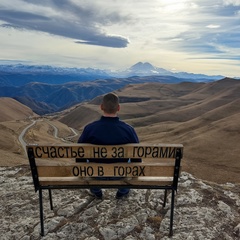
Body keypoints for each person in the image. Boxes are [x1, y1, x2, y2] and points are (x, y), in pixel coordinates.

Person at [77, 92, 140, 199]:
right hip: (120, 173)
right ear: (118, 108)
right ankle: (122, 192)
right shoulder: (128, 130)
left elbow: (79, 152)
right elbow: (137, 155)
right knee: (130, 160)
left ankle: (96, 192)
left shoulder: (90, 128)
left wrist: (82, 170)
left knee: (89, 160)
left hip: (96, 173)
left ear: (101, 107)